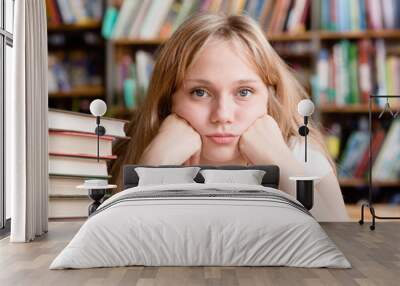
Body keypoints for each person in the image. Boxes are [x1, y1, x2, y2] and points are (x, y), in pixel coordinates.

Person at [111, 12, 349, 221]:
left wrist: (281, 161)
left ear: (270, 95)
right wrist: (153, 163)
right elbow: (113, 240)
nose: (222, 115)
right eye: (200, 92)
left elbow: (343, 242)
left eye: (244, 92)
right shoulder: (137, 150)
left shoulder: (298, 153)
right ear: (168, 100)